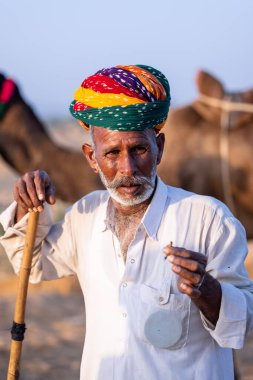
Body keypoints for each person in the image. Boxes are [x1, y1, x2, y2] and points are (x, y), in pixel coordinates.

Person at [0, 64, 253, 380]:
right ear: (92, 158)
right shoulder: (85, 216)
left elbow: (242, 326)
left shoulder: (209, 219)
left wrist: (208, 291)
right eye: (112, 154)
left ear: (159, 148)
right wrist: (27, 208)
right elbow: (30, 263)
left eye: (139, 149)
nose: (128, 167)